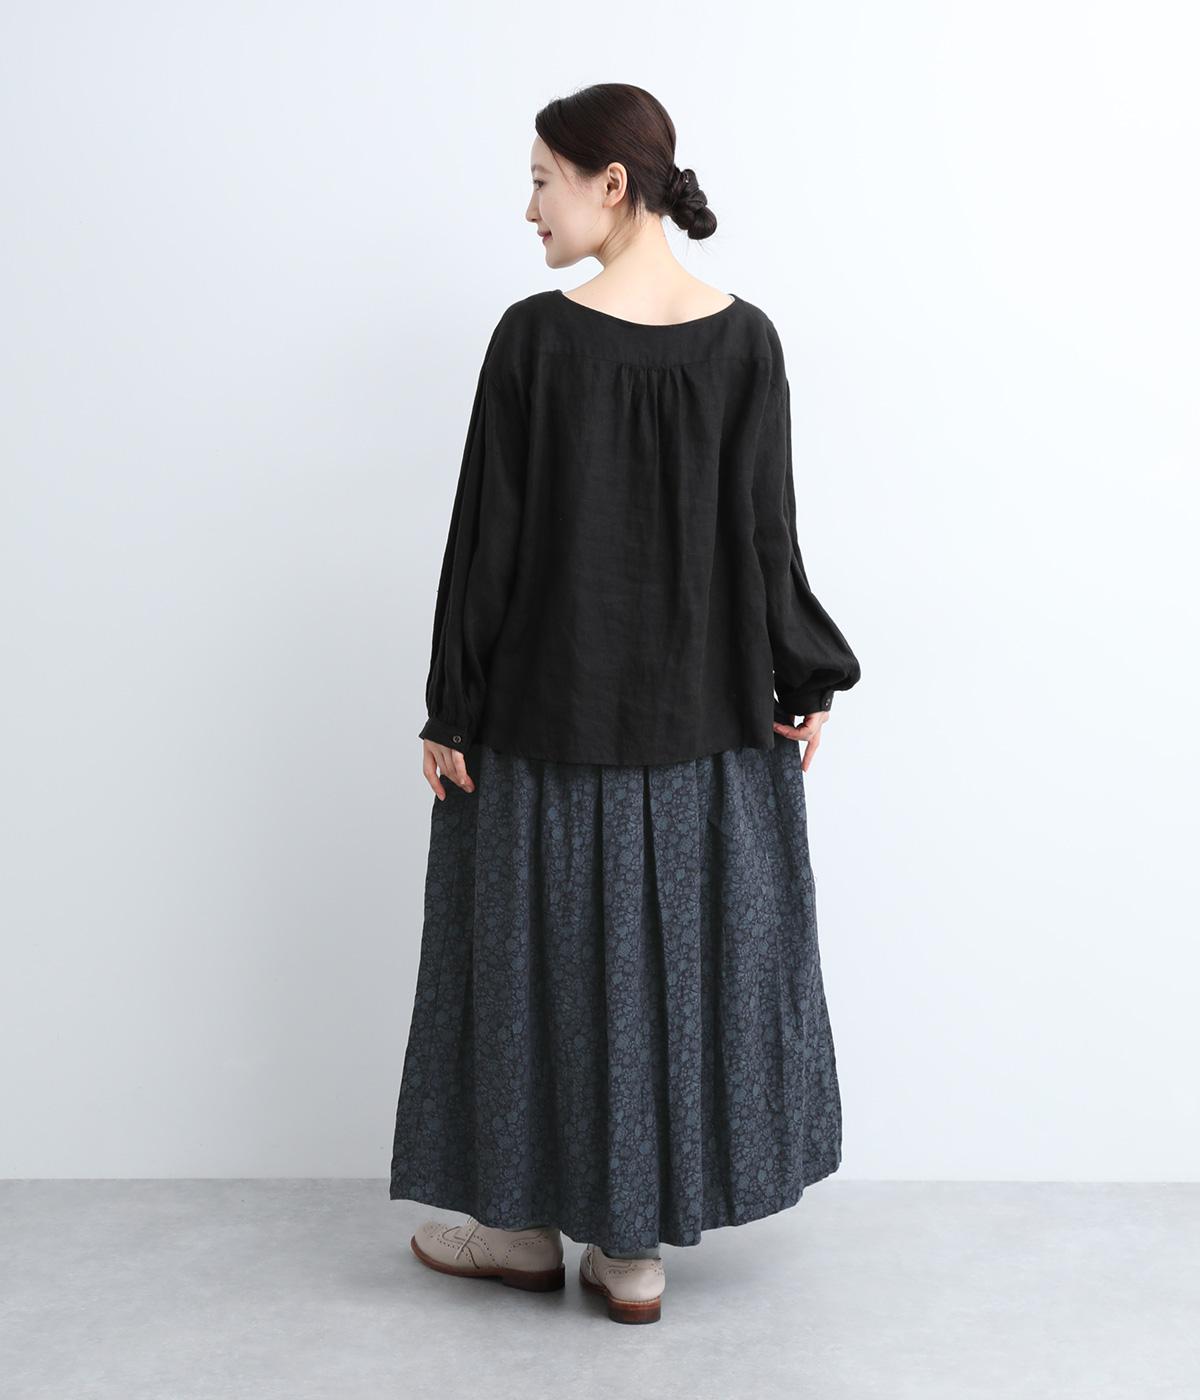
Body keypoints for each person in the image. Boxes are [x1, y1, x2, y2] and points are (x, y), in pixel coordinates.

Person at [389, 82, 862, 1327]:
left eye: (541, 179)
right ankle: (635, 1254)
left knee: (536, 975)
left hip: (543, 725)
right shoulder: (745, 339)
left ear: (611, 182)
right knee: (667, 980)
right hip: (702, 734)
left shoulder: (534, 340)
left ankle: (519, 1229)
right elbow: (768, 538)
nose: (527, 208)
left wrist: (451, 707)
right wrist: (804, 675)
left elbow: (486, 543)